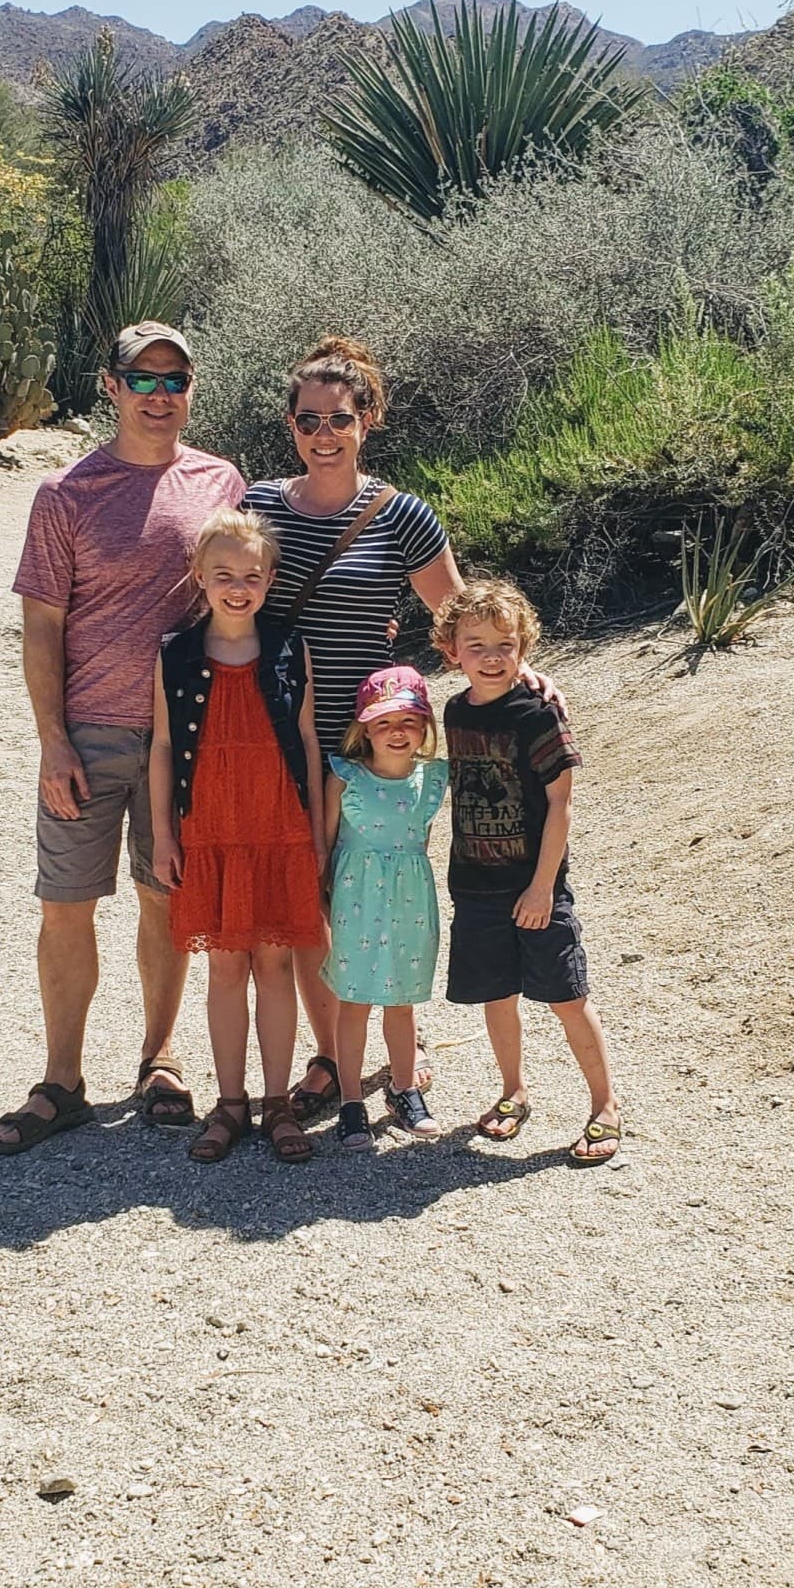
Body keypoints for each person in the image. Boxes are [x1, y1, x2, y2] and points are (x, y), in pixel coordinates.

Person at [0, 323, 245, 1155]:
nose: (161, 394)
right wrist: (51, 740)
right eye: (145, 379)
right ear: (112, 387)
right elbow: (41, 626)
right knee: (66, 905)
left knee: (166, 899)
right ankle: (61, 1080)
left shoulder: (219, 481)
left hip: (190, 733)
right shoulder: (67, 493)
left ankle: (159, 1059)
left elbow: (244, 593)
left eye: (176, 379)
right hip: (90, 733)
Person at [240, 339, 458, 1121]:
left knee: (372, 892)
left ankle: (395, 1035)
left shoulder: (401, 513)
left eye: (341, 417)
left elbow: (452, 615)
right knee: (309, 904)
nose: (323, 433)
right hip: (277, 738)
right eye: (309, 420)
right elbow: (223, 596)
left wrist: (518, 672)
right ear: (290, 425)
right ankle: (336, 1054)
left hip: (373, 748)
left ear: (369, 420)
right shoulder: (260, 504)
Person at [149, 509, 328, 1165]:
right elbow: (164, 746)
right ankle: (230, 1104)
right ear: (199, 575)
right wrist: (165, 833)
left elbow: (306, 738)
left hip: (278, 826)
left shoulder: (289, 646)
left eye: (251, 575)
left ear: (270, 578)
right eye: (223, 574)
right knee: (225, 966)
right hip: (211, 829)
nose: (237, 586)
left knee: (276, 961)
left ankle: (278, 1103)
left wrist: (314, 829)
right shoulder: (176, 654)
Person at [431, 578, 621, 1166]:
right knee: (497, 995)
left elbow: (561, 803)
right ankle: (514, 1090)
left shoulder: (537, 714)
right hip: (475, 884)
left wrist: (543, 886)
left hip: (534, 886)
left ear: (524, 649)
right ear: (451, 650)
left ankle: (605, 1106)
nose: (491, 657)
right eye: (476, 644)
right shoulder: (455, 710)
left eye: (505, 645)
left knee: (567, 996)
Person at [322, 666, 448, 1150]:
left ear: (425, 727)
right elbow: (326, 843)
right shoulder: (345, 777)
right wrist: (322, 894)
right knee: (353, 1001)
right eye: (383, 723)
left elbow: (423, 840)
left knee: (402, 1001)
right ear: (364, 730)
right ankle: (351, 1101)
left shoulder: (433, 779)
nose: (397, 732)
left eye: (409, 721)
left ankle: (404, 1087)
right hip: (356, 900)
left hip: (411, 901)